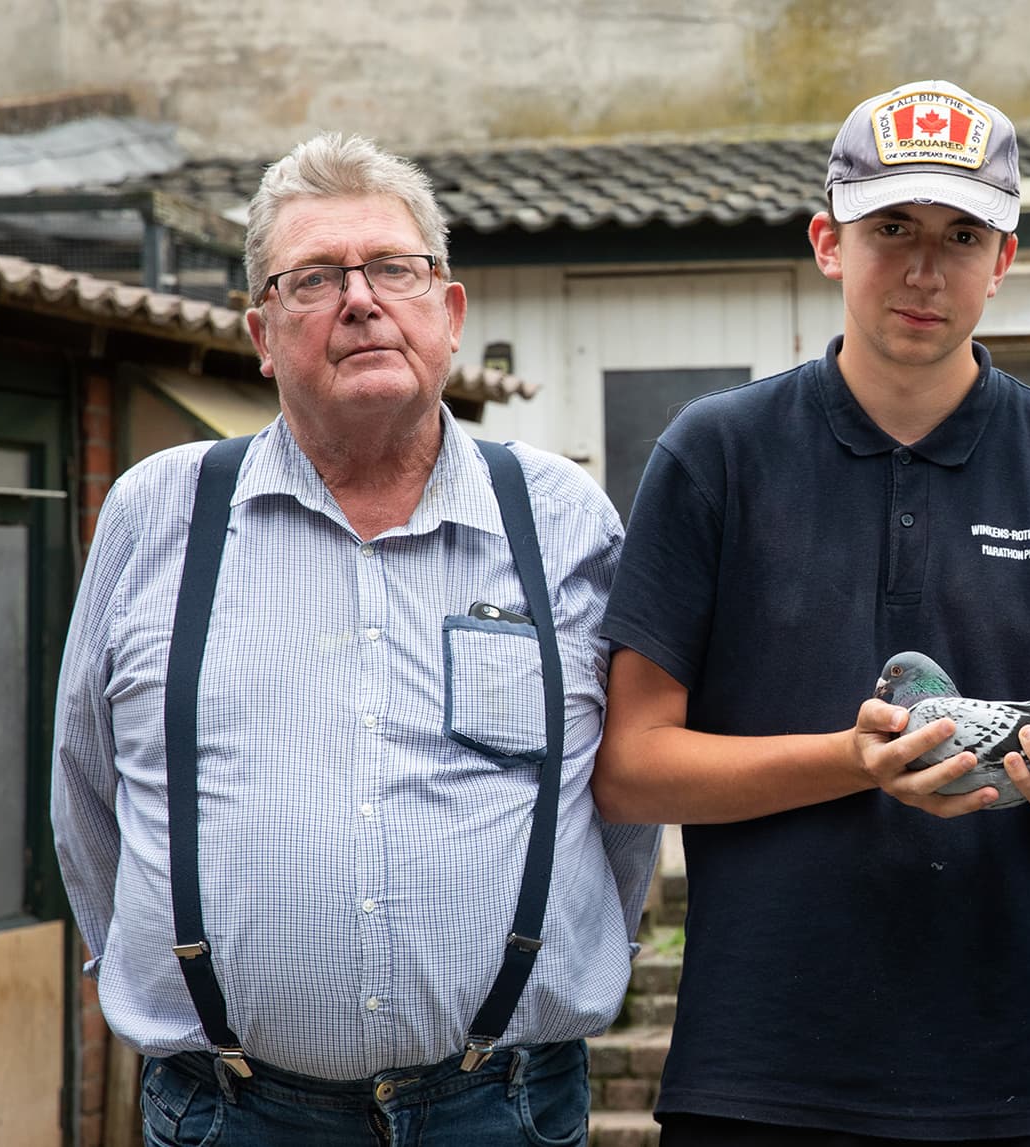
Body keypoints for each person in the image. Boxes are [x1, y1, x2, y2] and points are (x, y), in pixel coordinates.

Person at [593, 80, 1030, 1145]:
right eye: (892, 229)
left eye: (963, 235)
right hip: (754, 1076)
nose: (926, 269)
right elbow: (632, 767)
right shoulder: (715, 455)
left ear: (1003, 260)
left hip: (1007, 1082)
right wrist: (853, 761)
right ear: (828, 242)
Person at [50, 133, 660, 1145]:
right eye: (315, 278)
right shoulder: (158, 511)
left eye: (393, 268)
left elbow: (619, 799)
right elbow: (86, 787)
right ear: (261, 332)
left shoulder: (561, 516)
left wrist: (569, 953)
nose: (361, 300)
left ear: (449, 312)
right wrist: (166, 970)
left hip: (504, 1106)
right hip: (229, 1112)